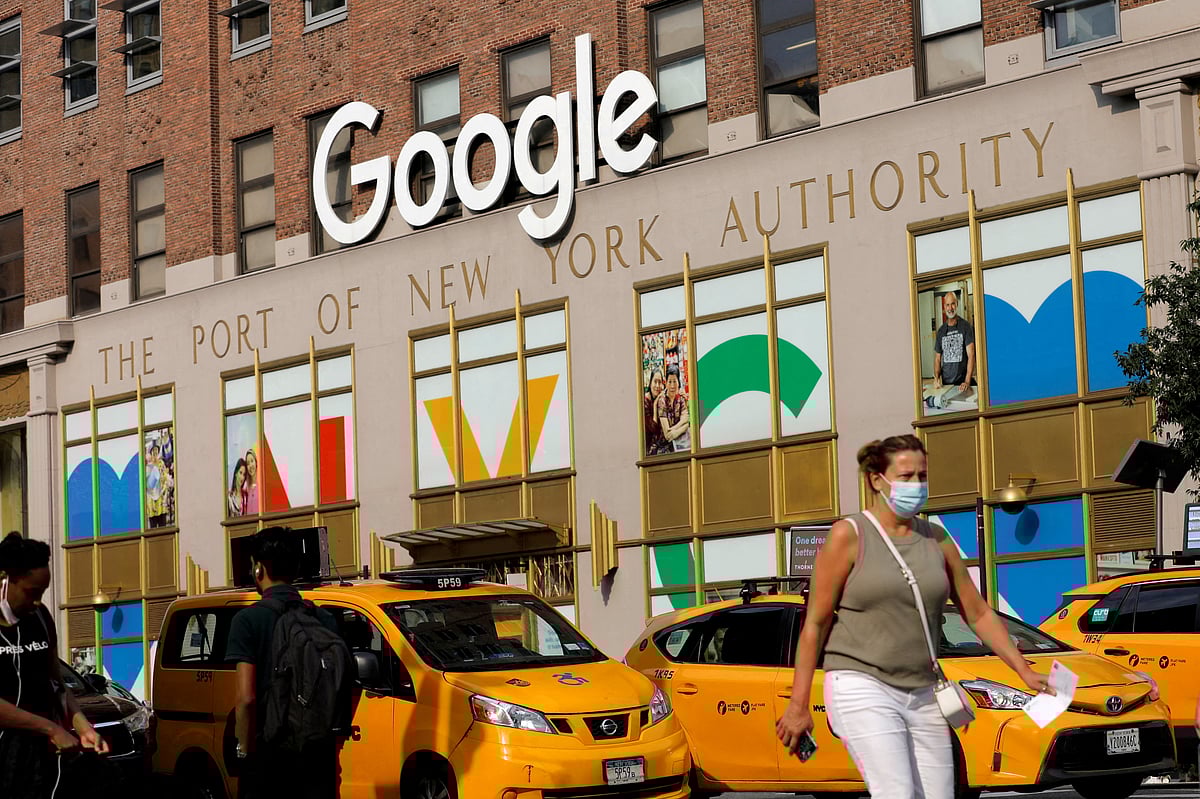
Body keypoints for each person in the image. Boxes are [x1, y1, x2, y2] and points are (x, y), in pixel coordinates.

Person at [776, 436, 1052, 799]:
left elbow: (978, 611)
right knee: (897, 792)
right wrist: (798, 705)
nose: (916, 485)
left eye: (922, 476)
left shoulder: (936, 539)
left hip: (924, 689)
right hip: (861, 684)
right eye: (906, 476)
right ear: (877, 479)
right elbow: (815, 623)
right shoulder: (850, 535)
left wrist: (1023, 669)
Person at [226, 527, 352, 799]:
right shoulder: (324, 619)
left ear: (258, 570)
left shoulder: (247, 621)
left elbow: (246, 698)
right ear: (295, 569)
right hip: (318, 757)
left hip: (269, 758)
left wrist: (243, 752)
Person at [0, 532, 111, 798]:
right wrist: (50, 728)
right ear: (6, 579)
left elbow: (56, 684)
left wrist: (83, 726)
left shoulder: (40, 618)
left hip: (39, 759)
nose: (37, 601)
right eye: (31, 592)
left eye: (43, 593)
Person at [932, 291, 975, 394]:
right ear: (944, 306)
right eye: (947, 305)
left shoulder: (966, 327)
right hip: (947, 384)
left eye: (952, 304)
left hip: (962, 383)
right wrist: (937, 378)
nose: (950, 308)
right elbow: (938, 358)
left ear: (957, 304)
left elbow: (971, 355)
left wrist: (967, 381)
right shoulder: (941, 331)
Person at [655, 365, 690, 453]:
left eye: (675, 381)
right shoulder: (662, 401)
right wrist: (682, 427)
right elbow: (667, 435)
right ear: (665, 382)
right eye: (669, 381)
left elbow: (686, 421)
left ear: (679, 382)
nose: (672, 385)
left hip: (679, 443)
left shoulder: (680, 398)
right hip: (664, 448)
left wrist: (675, 429)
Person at [644, 368, 667, 455]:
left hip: (660, 446)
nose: (657, 386)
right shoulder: (645, 402)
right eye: (655, 381)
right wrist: (654, 405)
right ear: (650, 383)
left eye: (660, 382)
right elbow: (653, 428)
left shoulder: (661, 398)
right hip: (649, 450)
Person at [243, 449, 260, 513]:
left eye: (252, 461)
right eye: (248, 463)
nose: (250, 465)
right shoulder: (246, 488)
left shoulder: (262, 486)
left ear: (256, 462)